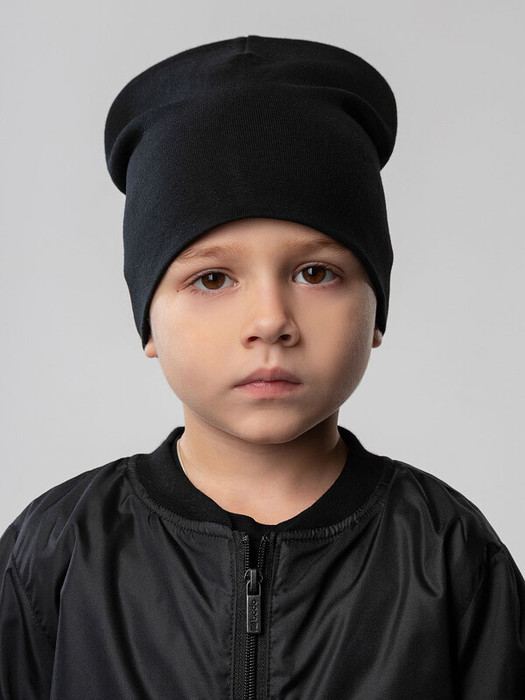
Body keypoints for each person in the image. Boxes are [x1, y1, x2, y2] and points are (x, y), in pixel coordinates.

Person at [0, 34, 523, 699]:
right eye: (213, 279)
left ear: (376, 312)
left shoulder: (449, 552)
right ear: (148, 321)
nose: (270, 319)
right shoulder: (56, 552)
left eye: (316, 273)